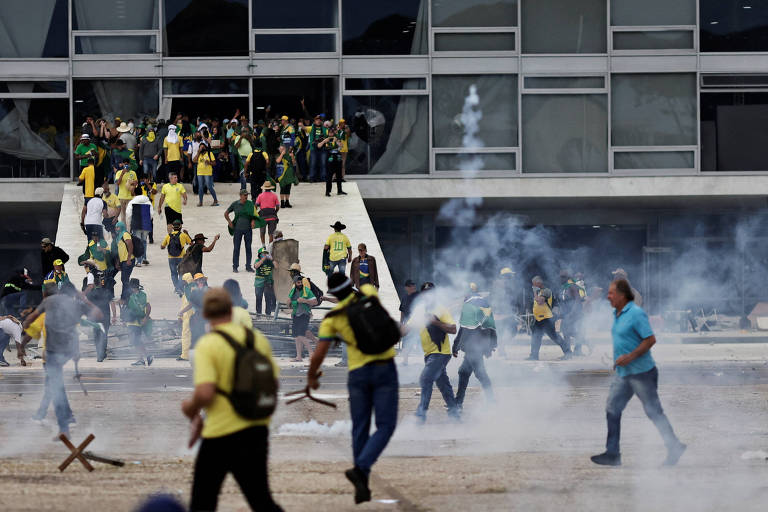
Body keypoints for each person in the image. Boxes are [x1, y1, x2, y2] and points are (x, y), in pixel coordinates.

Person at [181, 288, 283, 511]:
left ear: (206, 314)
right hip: (256, 430)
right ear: (231, 309)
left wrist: (189, 409)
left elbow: (206, 393)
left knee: (203, 500)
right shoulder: (256, 339)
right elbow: (273, 384)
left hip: (221, 434)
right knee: (261, 499)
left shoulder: (209, 344)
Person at [308, 273, 398, 504]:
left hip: (358, 374)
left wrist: (312, 377)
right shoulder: (368, 295)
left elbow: (319, 353)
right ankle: (362, 470)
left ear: (334, 294)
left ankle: (363, 484)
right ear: (351, 287)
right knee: (386, 425)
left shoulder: (332, 319)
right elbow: (368, 293)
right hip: (384, 368)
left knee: (360, 428)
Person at [591, 279, 686, 467]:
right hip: (624, 373)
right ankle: (612, 454)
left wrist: (629, 357)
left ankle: (674, 445)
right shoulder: (616, 313)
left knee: (653, 412)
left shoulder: (635, 313)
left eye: (611, 293)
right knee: (612, 408)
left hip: (642, 372)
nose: (608, 296)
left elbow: (650, 339)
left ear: (622, 295)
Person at [23, 282, 102, 438]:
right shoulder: (76, 304)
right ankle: (67, 421)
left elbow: (32, 317)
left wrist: (25, 324)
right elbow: (99, 315)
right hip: (69, 350)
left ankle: (64, 427)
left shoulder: (50, 301)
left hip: (53, 351)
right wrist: (84, 299)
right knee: (55, 385)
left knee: (55, 386)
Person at [411, 284, 459, 423]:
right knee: (443, 384)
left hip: (440, 353)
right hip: (429, 354)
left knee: (426, 378)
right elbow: (407, 328)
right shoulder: (419, 311)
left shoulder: (441, 309)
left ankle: (421, 416)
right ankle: (455, 414)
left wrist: (435, 322)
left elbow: (453, 329)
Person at [453, 283, 497, 409]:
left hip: (473, 346)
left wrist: (455, 345)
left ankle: (491, 401)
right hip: (477, 345)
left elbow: (463, 328)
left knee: (480, 374)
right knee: (463, 372)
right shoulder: (484, 303)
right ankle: (458, 402)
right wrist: (491, 345)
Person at [528, 276, 572, 361]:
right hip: (538, 319)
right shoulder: (540, 292)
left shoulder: (546, 291)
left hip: (546, 319)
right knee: (535, 337)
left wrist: (534, 292)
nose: (533, 285)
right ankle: (534, 355)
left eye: (534, 284)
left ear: (539, 283)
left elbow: (540, 302)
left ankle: (568, 352)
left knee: (555, 337)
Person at [225, 189, 257, 273]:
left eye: (247, 195)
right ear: (240, 195)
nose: (246, 196)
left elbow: (254, 214)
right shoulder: (235, 204)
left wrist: (253, 221)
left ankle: (248, 266)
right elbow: (226, 213)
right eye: (244, 195)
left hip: (248, 230)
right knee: (236, 248)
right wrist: (229, 222)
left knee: (248, 248)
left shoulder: (250, 204)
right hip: (237, 230)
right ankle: (235, 266)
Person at [288, 274, 318, 362]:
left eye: (301, 282)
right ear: (295, 283)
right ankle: (299, 356)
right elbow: (288, 303)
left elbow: (315, 302)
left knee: (301, 334)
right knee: (296, 336)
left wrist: (305, 300)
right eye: (298, 282)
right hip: (295, 314)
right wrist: (290, 303)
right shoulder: (293, 291)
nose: (300, 284)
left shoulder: (307, 291)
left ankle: (311, 352)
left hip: (304, 314)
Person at [125, 279, 153, 366]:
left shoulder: (142, 295)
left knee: (135, 340)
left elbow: (148, 306)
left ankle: (146, 356)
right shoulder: (131, 295)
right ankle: (142, 358)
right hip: (131, 321)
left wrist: (146, 317)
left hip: (137, 322)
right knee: (135, 341)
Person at [161, 219, 192, 295]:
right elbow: (191, 243)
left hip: (171, 257)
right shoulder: (183, 235)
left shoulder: (168, 236)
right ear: (180, 226)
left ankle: (177, 288)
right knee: (181, 273)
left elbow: (162, 246)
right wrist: (187, 234)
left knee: (173, 273)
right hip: (182, 257)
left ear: (172, 227)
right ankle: (180, 288)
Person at [126, 192, 153, 267]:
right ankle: (144, 258)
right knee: (144, 241)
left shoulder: (132, 202)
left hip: (136, 224)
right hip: (146, 225)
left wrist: (130, 224)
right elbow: (151, 214)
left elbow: (128, 214)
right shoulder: (148, 202)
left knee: (137, 242)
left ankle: (139, 261)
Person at [398, 279, 419, 366]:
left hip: (416, 321)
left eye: (413, 285)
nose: (413, 287)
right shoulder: (404, 297)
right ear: (406, 287)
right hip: (407, 322)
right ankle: (405, 360)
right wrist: (401, 323)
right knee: (406, 341)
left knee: (418, 340)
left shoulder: (418, 296)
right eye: (411, 285)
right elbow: (402, 310)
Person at [320, 126, 346, 197]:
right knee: (329, 176)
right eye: (330, 132)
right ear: (328, 133)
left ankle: (339, 190)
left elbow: (341, 146)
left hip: (338, 159)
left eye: (332, 132)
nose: (331, 134)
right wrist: (324, 141)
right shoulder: (326, 139)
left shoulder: (337, 138)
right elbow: (319, 146)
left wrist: (337, 142)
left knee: (339, 175)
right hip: (330, 160)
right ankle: (327, 191)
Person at [112, 221, 134, 301]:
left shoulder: (125, 234)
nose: (116, 229)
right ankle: (127, 296)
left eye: (118, 227)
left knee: (124, 279)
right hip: (123, 261)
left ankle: (124, 298)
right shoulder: (119, 236)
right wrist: (118, 263)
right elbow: (120, 250)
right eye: (116, 227)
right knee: (124, 279)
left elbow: (130, 245)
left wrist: (128, 258)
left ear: (121, 227)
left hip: (128, 260)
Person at [193, 142, 219, 207]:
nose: (202, 148)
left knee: (209, 186)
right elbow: (194, 160)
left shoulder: (210, 153)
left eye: (203, 147)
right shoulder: (198, 154)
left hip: (208, 172)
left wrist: (209, 162)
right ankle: (200, 202)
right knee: (200, 187)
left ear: (205, 147)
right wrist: (198, 152)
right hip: (199, 172)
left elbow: (214, 163)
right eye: (200, 147)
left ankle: (215, 200)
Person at [255, 182, 280, 246]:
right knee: (271, 233)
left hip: (263, 216)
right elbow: (277, 206)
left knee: (262, 232)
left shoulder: (260, 195)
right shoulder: (274, 195)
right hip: (272, 216)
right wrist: (275, 212)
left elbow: (256, 206)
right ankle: (270, 246)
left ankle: (263, 245)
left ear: (264, 188)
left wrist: (255, 213)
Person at [253, 247, 276, 316]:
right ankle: (258, 313)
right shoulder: (257, 260)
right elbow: (256, 266)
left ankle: (268, 314)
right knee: (258, 298)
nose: (265, 255)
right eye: (263, 254)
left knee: (268, 298)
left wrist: (272, 260)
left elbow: (276, 266)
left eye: (266, 254)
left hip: (268, 282)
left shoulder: (270, 261)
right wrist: (263, 259)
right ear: (259, 255)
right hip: (259, 282)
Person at [177, 272, 195, 361]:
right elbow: (184, 303)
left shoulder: (189, 288)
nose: (182, 282)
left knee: (186, 335)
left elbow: (190, 304)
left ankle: (185, 355)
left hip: (189, 315)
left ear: (186, 280)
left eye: (183, 280)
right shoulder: (191, 287)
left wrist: (181, 313)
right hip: (190, 315)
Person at [115, 157, 138, 224]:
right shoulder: (119, 172)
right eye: (125, 164)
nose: (126, 166)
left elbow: (136, 183)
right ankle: (124, 232)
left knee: (130, 215)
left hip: (130, 197)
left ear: (130, 164)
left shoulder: (133, 173)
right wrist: (122, 173)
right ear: (122, 164)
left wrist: (133, 183)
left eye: (127, 164)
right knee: (123, 216)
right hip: (121, 197)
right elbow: (117, 183)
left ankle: (129, 230)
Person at [308, 115, 327, 182]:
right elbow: (304, 128)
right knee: (313, 164)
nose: (318, 121)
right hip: (313, 148)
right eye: (317, 119)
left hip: (323, 148)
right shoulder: (311, 127)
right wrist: (302, 126)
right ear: (314, 121)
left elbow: (328, 134)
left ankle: (323, 178)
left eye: (319, 120)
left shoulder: (324, 128)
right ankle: (312, 178)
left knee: (323, 163)